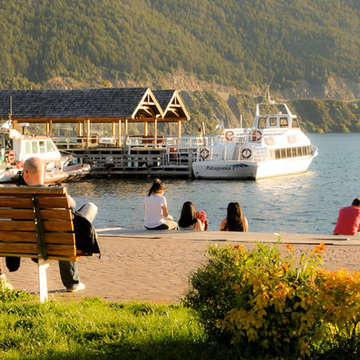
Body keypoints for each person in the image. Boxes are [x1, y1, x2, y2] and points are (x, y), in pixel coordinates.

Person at [23, 157, 97, 292]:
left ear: (26, 173)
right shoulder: (56, 194)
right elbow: (72, 205)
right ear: (44, 173)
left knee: (66, 231)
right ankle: (72, 282)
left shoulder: (17, 197)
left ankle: (72, 281)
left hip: (32, 247)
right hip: (59, 244)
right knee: (89, 209)